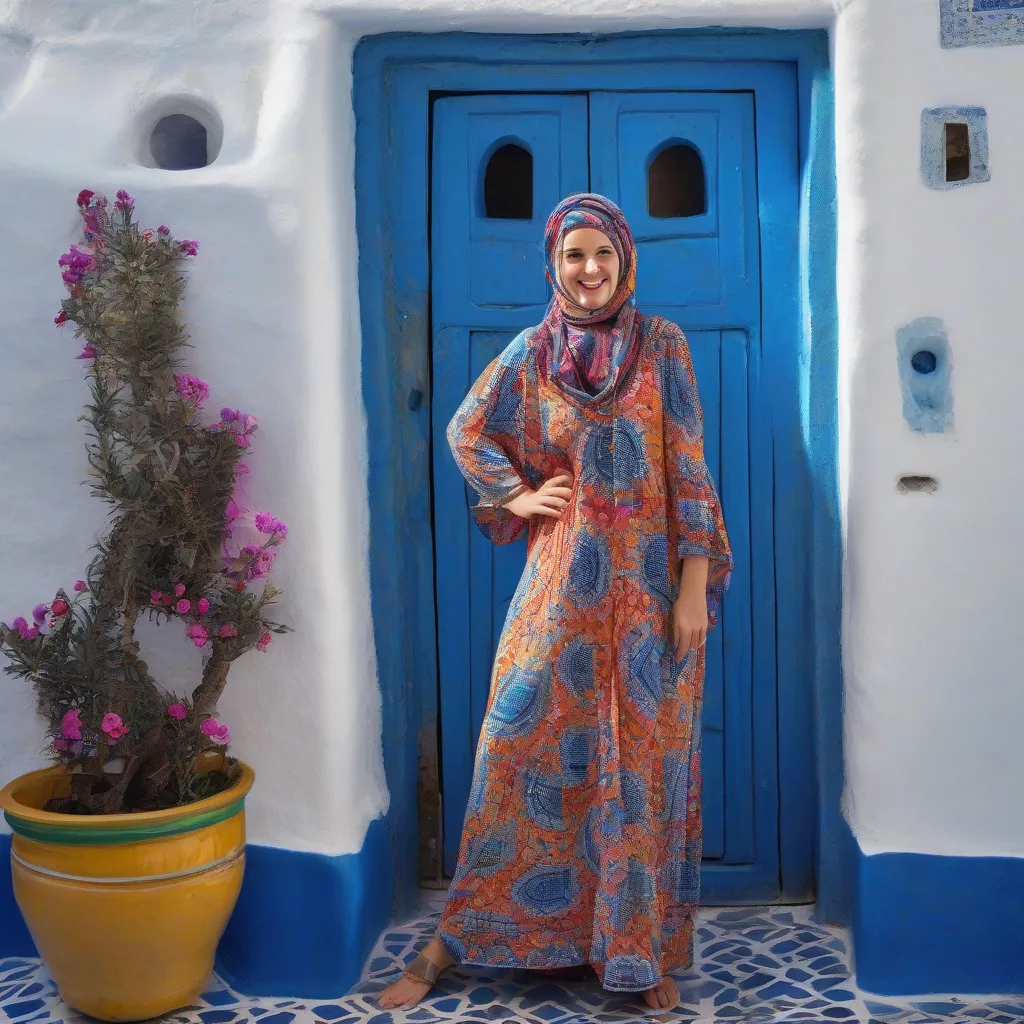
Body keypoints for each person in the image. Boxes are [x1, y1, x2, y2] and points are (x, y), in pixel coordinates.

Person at [379, 193, 732, 1014]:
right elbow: (467, 430)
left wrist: (691, 588)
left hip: (649, 605)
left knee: (640, 775)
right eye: (574, 255)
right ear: (553, 263)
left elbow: (690, 469)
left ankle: (637, 950)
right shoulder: (530, 354)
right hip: (558, 595)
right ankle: (455, 940)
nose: (590, 270)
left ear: (625, 258)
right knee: (515, 752)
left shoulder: (663, 347)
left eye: (602, 254)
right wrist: (520, 495)